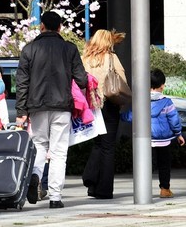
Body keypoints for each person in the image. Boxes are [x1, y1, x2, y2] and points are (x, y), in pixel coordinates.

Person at [15, 11, 87, 208]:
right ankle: (55, 198)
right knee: (58, 152)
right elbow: (82, 79)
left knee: (39, 145)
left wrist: (21, 111)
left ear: (41, 26)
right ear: (60, 27)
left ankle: (35, 176)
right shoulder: (69, 48)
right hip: (62, 106)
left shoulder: (29, 49)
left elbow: (22, 82)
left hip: (36, 107)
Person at [121, 68, 185, 198]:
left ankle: (143, 190)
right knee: (164, 164)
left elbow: (129, 117)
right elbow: (174, 121)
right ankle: (164, 189)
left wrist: (120, 113)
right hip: (164, 140)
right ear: (162, 86)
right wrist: (178, 134)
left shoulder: (140, 101)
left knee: (146, 164)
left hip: (146, 139)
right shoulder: (167, 102)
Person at [81, 29, 127, 199]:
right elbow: (121, 81)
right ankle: (104, 189)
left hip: (91, 105)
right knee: (108, 147)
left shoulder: (85, 58)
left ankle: (91, 180)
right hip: (108, 104)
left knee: (98, 143)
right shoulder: (111, 58)